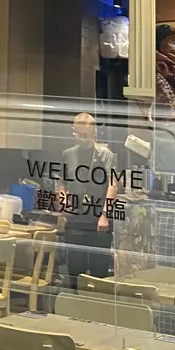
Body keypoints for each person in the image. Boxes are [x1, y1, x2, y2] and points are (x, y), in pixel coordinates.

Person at [58, 113, 119, 281]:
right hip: (75, 221)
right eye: (78, 134)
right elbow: (62, 183)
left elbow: (113, 185)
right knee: (75, 271)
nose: (82, 138)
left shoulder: (105, 155)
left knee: (99, 272)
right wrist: (63, 202)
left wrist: (105, 215)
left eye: (85, 134)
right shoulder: (68, 154)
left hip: (98, 223)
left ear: (94, 133)